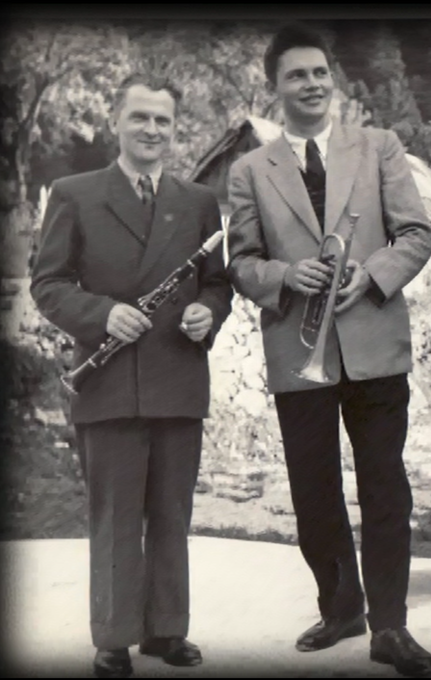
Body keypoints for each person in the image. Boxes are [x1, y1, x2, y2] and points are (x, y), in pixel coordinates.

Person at [226, 23, 431, 678]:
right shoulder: (248, 169)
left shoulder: (379, 146)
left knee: (385, 488)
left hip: (374, 344)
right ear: (275, 86)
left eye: (320, 72)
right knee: (314, 493)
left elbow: (417, 234)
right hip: (299, 351)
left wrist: (370, 275)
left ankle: (391, 626)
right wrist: (286, 275)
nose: (312, 84)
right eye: (297, 75)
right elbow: (241, 262)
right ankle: (340, 607)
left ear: (332, 79)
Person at [30, 73, 233, 679]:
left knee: (171, 512)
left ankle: (167, 630)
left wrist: (207, 313)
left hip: (177, 376)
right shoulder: (73, 193)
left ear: (174, 129)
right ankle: (114, 637)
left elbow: (218, 284)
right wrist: (102, 315)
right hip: (107, 380)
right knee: (115, 515)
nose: (151, 129)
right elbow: (48, 284)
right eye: (139, 117)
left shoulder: (198, 201)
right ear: (115, 121)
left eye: (162, 120)